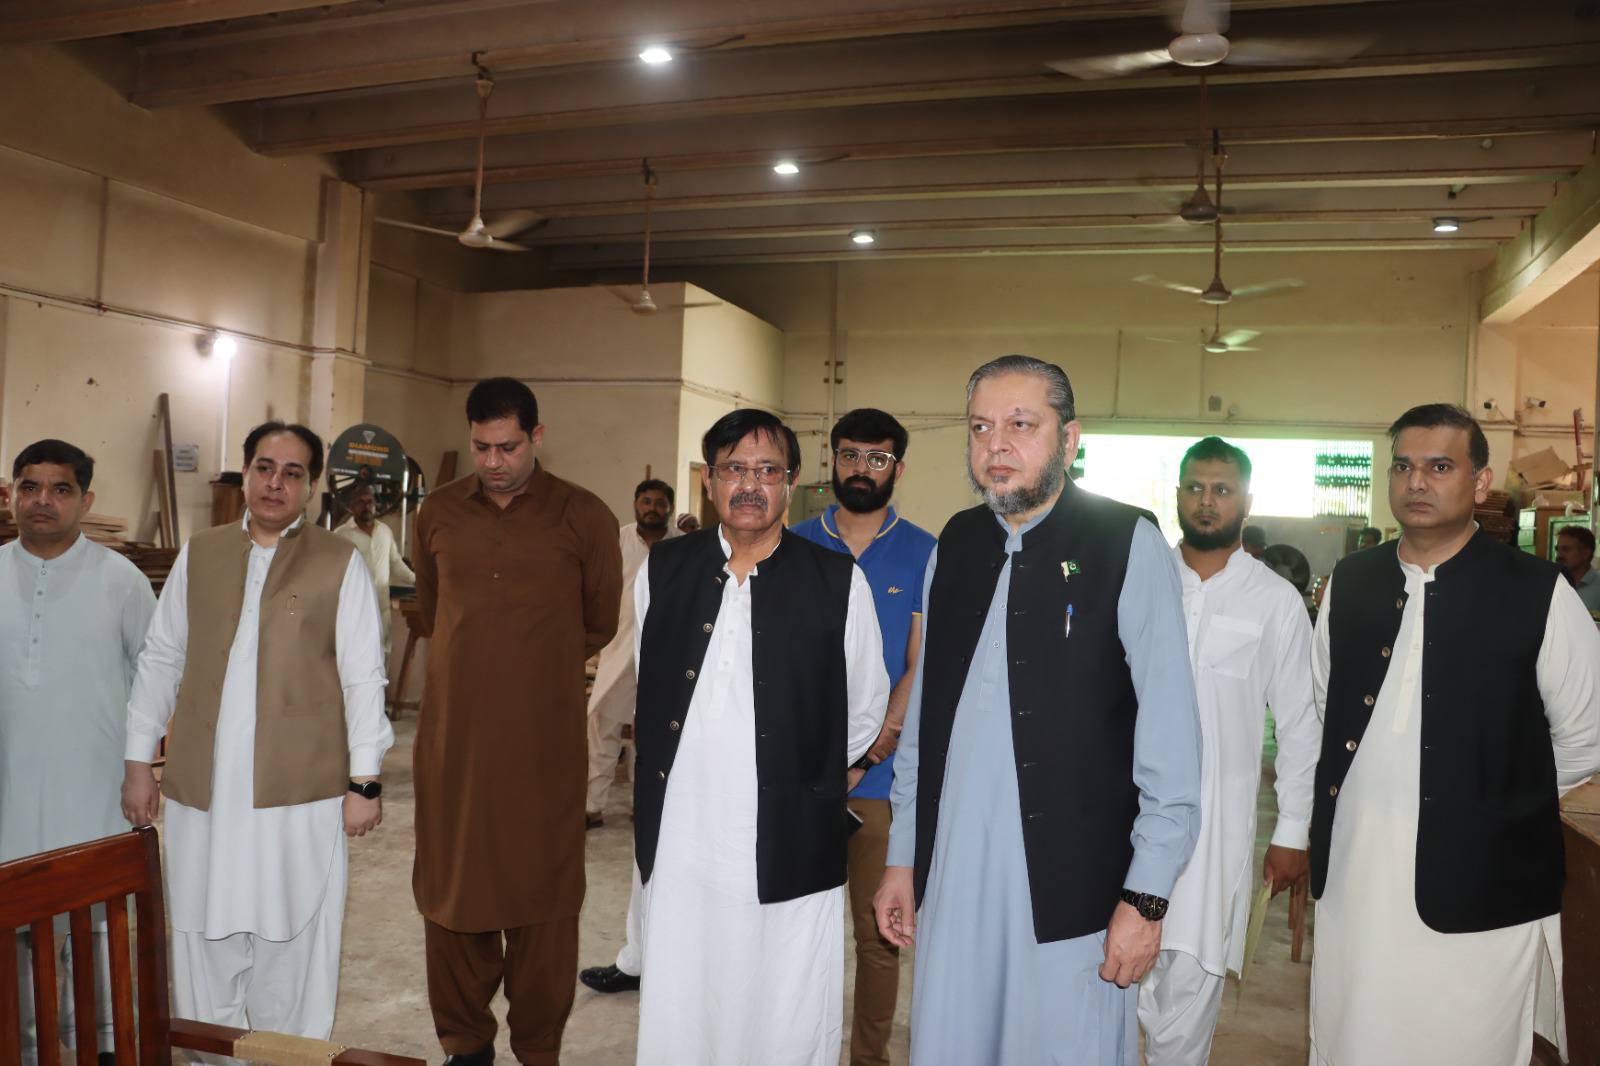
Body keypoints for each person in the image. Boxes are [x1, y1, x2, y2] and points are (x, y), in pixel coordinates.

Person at [874, 354, 1202, 1066]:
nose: (997, 444)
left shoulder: (1125, 543)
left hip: (1072, 889)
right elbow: (924, 723)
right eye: (980, 427)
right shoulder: (956, 544)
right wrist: (902, 857)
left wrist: (1146, 900)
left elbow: (1171, 743)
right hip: (955, 882)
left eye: (1021, 425)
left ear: (1070, 438)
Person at [1308, 403, 1600, 1066]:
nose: (1417, 482)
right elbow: (1327, 704)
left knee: (1467, 1043)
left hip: (1486, 881)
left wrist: (1496, 801)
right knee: (1354, 1033)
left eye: (1440, 467)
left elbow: (1586, 736)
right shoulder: (1352, 583)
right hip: (1357, 871)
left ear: (1481, 481)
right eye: (1403, 467)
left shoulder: (1537, 592)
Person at [121, 421, 391, 1051]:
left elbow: (363, 676)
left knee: (293, 940)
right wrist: (138, 759)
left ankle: (290, 1058)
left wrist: (365, 782)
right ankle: (210, 1058)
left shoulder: (338, 562)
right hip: (204, 792)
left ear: (311, 486)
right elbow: (162, 658)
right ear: (245, 473)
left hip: (299, 796)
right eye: (265, 468)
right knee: (201, 935)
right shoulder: (202, 553)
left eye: (293, 473)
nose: (276, 483)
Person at [632, 409, 889, 1066]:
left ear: (792, 482)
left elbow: (865, 707)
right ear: (710, 481)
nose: (750, 485)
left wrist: (805, 777)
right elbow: (650, 684)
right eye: (734, 470)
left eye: (767, 471)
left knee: (782, 1002)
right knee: (684, 995)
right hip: (684, 838)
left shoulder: (838, 582)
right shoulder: (662, 570)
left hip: (790, 835)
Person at [411, 378, 622, 1066]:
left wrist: (528, 669)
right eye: (481, 447)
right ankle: (465, 1045)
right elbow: (435, 611)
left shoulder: (582, 515)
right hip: (454, 747)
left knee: (544, 900)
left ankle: (537, 1047)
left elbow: (598, 620)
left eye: (507, 447)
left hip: (543, 750)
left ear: (537, 436)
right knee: (453, 893)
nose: (493, 461)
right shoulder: (438, 512)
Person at [1137, 436, 1321, 1065]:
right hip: (1125, 821)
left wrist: (1292, 830)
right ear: (1177, 494)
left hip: (1215, 833)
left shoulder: (1274, 601)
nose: (1206, 501)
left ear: (1247, 500)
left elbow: (1300, 724)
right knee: (1108, 987)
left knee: (1189, 993)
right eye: (1195, 487)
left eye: (1222, 489)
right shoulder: (1141, 582)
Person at [2, 439, 156, 1066]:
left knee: (97, 936)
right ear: (11, 495)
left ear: (86, 501)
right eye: (30, 486)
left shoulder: (122, 582)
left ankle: (104, 1046)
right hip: (8, 797)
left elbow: (157, 682)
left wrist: (142, 770)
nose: (43, 500)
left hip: (94, 794)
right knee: (11, 937)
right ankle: (21, 1048)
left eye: (60, 488)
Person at [790, 408, 936, 1066]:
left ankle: (867, 1058)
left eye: (877, 458)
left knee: (878, 937)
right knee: (795, 932)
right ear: (833, 460)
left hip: (878, 783)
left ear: (897, 469)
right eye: (850, 454)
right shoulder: (794, 543)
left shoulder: (925, 552)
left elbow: (920, 664)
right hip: (799, 778)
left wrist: (869, 750)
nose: (861, 468)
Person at [585, 478, 677, 830]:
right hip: (619, 647)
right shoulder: (617, 541)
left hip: (664, 655)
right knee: (601, 724)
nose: (652, 508)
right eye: (646, 501)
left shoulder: (681, 546)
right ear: (636, 504)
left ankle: (646, 805)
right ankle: (592, 806)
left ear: (669, 508)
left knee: (652, 732)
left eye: (659, 503)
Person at [334, 482, 416, 638]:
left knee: (382, 651)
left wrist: (416, 580)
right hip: (353, 612)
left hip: (381, 609)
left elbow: (395, 563)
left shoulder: (384, 531)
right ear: (352, 507)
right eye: (360, 502)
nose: (366, 506)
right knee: (354, 651)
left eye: (370, 501)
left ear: (375, 505)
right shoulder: (340, 535)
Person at [1554, 525, 1600, 614]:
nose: (1559, 555)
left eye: (1566, 549)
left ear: (1585, 553)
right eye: (1557, 550)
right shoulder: (1554, 583)